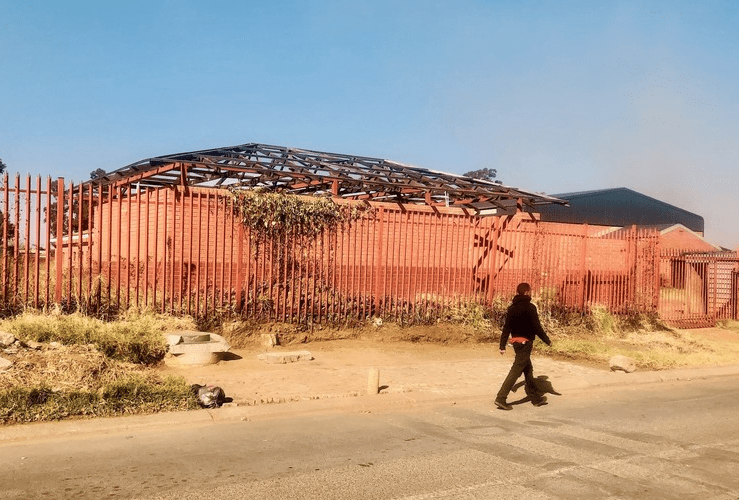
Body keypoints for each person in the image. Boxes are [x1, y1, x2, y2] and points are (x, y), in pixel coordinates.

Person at [495, 282, 552, 410]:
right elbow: (537, 327)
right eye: (530, 291)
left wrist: (502, 345)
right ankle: (501, 398)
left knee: (528, 370)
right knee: (516, 370)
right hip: (526, 343)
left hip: (515, 343)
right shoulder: (530, 307)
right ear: (527, 292)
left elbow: (506, 328)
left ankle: (535, 399)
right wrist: (547, 341)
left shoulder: (512, 308)